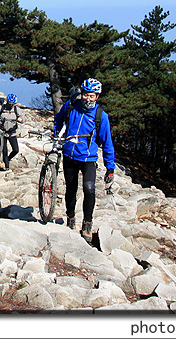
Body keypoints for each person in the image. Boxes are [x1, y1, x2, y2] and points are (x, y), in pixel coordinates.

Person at [53, 78, 114, 241]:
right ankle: (70, 217)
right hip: (69, 155)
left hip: (88, 158)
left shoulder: (101, 116)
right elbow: (58, 119)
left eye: (92, 96)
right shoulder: (71, 106)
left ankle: (87, 223)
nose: (88, 99)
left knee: (89, 189)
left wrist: (110, 167)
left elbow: (107, 142)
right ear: (82, 94)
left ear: (97, 97)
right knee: (71, 189)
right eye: (86, 95)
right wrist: (58, 134)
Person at [0, 93, 25, 171]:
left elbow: (22, 117)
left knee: (16, 150)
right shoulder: (0, 108)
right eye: (9, 104)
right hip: (2, 131)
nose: (11, 105)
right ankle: (7, 167)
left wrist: (20, 120)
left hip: (12, 132)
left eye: (12, 104)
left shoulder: (16, 110)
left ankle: (8, 159)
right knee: (4, 150)